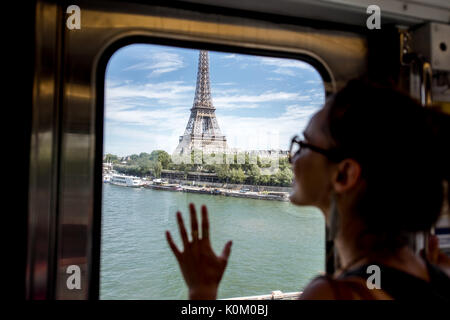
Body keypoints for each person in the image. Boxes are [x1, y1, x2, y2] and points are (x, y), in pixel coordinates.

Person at [165, 79, 450, 300]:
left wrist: (201, 292)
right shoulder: (433, 274)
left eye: (303, 144)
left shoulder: (329, 295)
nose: (291, 157)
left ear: (344, 174)